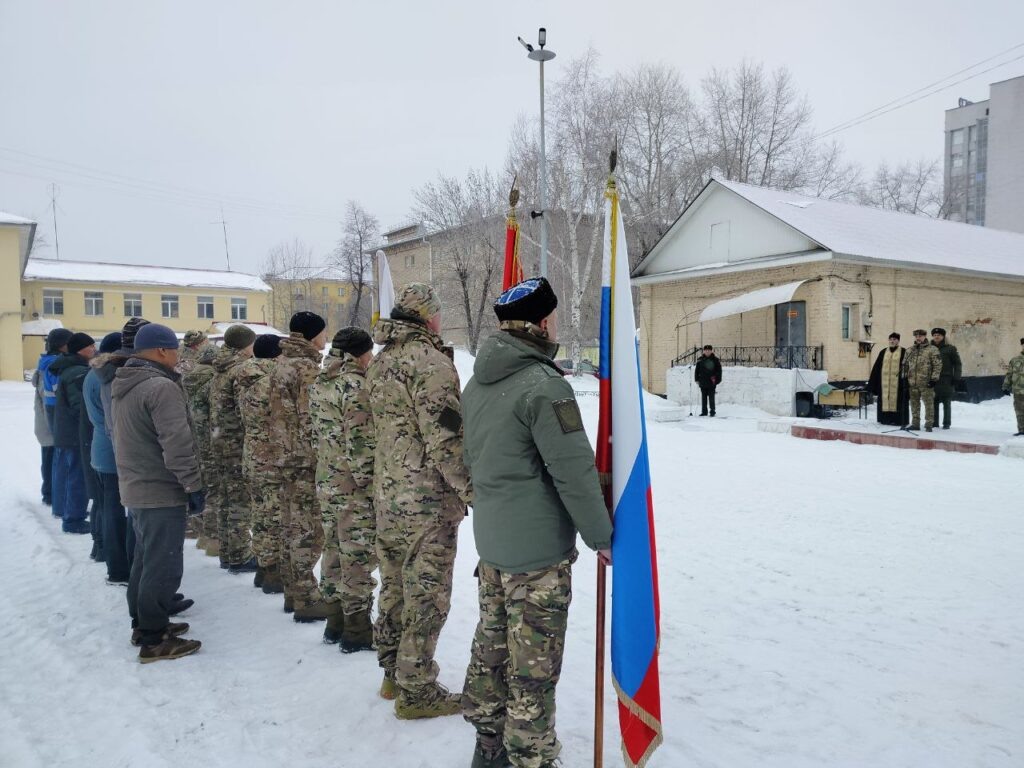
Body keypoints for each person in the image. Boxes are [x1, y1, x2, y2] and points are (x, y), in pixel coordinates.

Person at [460, 277, 613, 768]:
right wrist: (602, 536)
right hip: (537, 554)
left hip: (493, 542)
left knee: (493, 645)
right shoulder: (544, 386)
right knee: (533, 664)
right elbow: (573, 471)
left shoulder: (478, 382)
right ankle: (531, 756)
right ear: (543, 323)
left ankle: (489, 744)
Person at [367, 283, 473, 718]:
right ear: (430, 317)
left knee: (394, 586)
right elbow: (445, 439)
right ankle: (418, 691)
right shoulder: (431, 364)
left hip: (389, 494)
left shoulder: (381, 361)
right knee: (426, 594)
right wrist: (474, 490)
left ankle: (393, 671)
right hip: (426, 501)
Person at [111, 323, 204, 663]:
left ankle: (145, 623)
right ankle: (154, 639)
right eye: (175, 350)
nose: (178, 356)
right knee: (162, 565)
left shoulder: (126, 382)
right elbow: (176, 444)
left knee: (145, 560)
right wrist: (193, 484)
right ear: (162, 351)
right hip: (159, 489)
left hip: (136, 485)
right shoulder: (160, 387)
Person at [309, 327, 377, 650]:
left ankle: (334, 620)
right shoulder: (356, 387)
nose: (372, 358)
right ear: (358, 355)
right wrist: (371, 486)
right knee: (358, 555)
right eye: (369, 352)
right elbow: (362, 447)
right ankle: (358, 628)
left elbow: (316, 435)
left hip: (327, 480)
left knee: (333, 551)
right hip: (353, 486)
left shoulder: (321, 382)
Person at [267, 312, 331, 621]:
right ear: (311, 335)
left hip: (282, 457)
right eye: (322, 333)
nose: (325, 338)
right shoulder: (306, 369)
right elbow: (311, 420)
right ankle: (306, 597)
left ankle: (293, 591)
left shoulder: (281, 363)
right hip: (305, 461)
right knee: (308, 530)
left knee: (290, 524)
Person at [236, 333, 285, 593]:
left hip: (253, 454)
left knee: (261, 514)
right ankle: (273, 574)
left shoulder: (246, 379)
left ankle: (265, 568)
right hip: (272, 457)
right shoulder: (271, 382)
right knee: (274, 516)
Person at [84, 332, 131, 583]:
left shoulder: (94, 374)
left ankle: (104, 551)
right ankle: (118, 568)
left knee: (106, 507)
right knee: (115, 512)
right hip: (112, 452)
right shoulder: (109, 378)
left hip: (101, 450)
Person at [209, 324, 257, 572]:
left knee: (226, 498)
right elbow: (245, 410)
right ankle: (239, 555)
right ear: (246, 345)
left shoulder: (220, 368)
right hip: (237, 443)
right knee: (239, 501)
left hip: (220, 442)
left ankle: (228, 551)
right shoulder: (240, 370)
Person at [50, 332, 96, 533]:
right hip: (75, 434)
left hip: (66, 431)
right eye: (90, 346)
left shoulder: (69, 368)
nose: (94, 349)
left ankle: (66, 511)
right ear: (80, 349)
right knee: (78, 476)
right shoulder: (77, 372)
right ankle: (73, 519)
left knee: (69, 473)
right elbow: (80, 407)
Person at [181, 341, 220, 558]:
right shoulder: (212, 382)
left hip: (192, 441)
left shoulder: (185, 380)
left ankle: (199, 532)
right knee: (215, 490)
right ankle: (213, 539)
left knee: (199, 485)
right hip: (212, 441)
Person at [32, 328, 71, 505]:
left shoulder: (45, 362)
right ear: (62, 345)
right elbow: (51, 395)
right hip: (51, 420)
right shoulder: (54, 365)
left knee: (49, 458)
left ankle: (50, 493)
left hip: (45, 421)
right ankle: (51, 494)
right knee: (53, 459)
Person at [904, 329, 941, 432]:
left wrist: (934, 379)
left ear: (925, 336)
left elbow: (937, 365)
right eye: (916, 336)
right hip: (912, 382)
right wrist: (904, 378)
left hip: (926, 382)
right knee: (914, 404)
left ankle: (929, 424)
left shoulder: (932, 349)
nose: (918, 338)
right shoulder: (910, 350)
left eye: (920, 336)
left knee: (928, 404)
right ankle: (915, 424)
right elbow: (905, 365)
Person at [868, 332, 908, 426]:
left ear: (898, 341)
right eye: (891, 339)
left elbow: (907, 367)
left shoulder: (904, 352)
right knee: (884, 399)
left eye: (894, 339)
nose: (892, 341)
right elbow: (877, 367)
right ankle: (885, 420)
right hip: (884, 383)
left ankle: (897, 421)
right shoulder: (883, 352)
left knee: (898, 401)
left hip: (898, 383)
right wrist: (873, 383)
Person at [930, 328, 962, 430]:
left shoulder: (950, 349)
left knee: (946, 402)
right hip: (932, 379)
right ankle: (934, 423)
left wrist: (956, 377)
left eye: (939, 334)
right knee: (933, 402)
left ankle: (946, 423)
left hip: (946, 379)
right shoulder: (929, 348)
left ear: (943, 336)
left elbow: (957, 364)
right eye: (934, 334)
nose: (936, 336)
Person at [694, 344, 723, 417]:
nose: (707, 351)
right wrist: (696, 379)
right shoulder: (700, 359)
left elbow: (719, 371)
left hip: (711, 381)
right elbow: (697, 370)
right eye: (706, 350)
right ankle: (704, 412)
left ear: (711, 351)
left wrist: (717, 380)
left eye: (708, 350)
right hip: (702, 381)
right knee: (703, 398)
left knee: (711, 397)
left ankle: (712, 411)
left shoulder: (715, 360)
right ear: (704, 351)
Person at [1003, 337, 1024, 437]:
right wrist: (1005, 386)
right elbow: (1009, 374)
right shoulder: (1015, 360)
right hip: (1018, 391)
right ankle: (1021, 430)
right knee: (1019, 411)